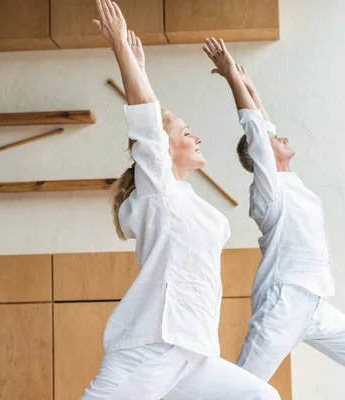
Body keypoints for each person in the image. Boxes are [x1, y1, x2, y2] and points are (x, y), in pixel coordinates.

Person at [80, 2, 281, 399]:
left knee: (262, 397)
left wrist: (139, 65)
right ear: (164, 150)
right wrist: (121, 48)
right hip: (150, 345)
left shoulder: (185, 198)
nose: (197, 137)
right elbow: (147, 121)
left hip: (195, 350)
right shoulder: (158, 190)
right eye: (187, 133)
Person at [203, 36, 345, 400]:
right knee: (240, 390)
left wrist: (252, 88)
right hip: (284, 302)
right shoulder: (269, 192)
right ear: (261, 160)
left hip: (315, 302)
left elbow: (265, 128)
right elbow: (258, 133)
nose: (281, 136)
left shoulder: (291, 182)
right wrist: (231, 79)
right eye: (273, 141)